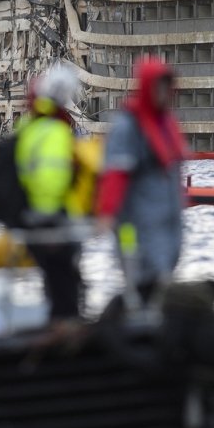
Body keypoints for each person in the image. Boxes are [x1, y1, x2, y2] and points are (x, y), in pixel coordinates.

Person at [96, 58, 188, 304]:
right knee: (140, 274)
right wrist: (106, 212)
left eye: (166, 87)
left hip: (167, 222)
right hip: (136, 223)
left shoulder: (167, 124)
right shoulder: (128, 127)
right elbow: (116, 173)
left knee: (163, 275)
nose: (163, 94)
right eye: (158, 87)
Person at [15, 64, 83, 325]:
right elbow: (55, 177)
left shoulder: (29, 126)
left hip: (34, 216)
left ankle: (56, 324)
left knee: (56, 281)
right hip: (53, 218)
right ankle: (63, 330)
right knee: (64, 281)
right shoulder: (55, 130)